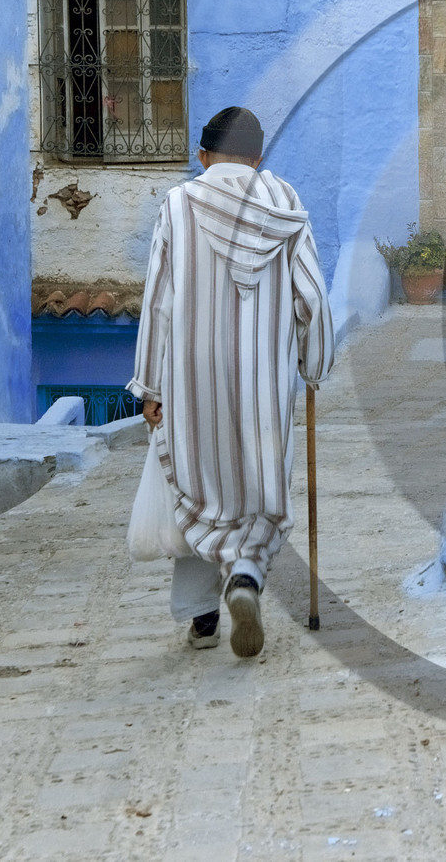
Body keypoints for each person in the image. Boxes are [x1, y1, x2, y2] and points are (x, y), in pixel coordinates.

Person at [127, 107, 332, 657]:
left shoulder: (177, 204)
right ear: (259, 159)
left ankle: (203, 617)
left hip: (191, 380)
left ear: (202, 156)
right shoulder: (284, 203)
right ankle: (245, 576)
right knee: (256, 489)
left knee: (199, 487)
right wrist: (314, 364)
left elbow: (160, 300)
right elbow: (310, 295)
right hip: (264, 382)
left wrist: (150, 386)